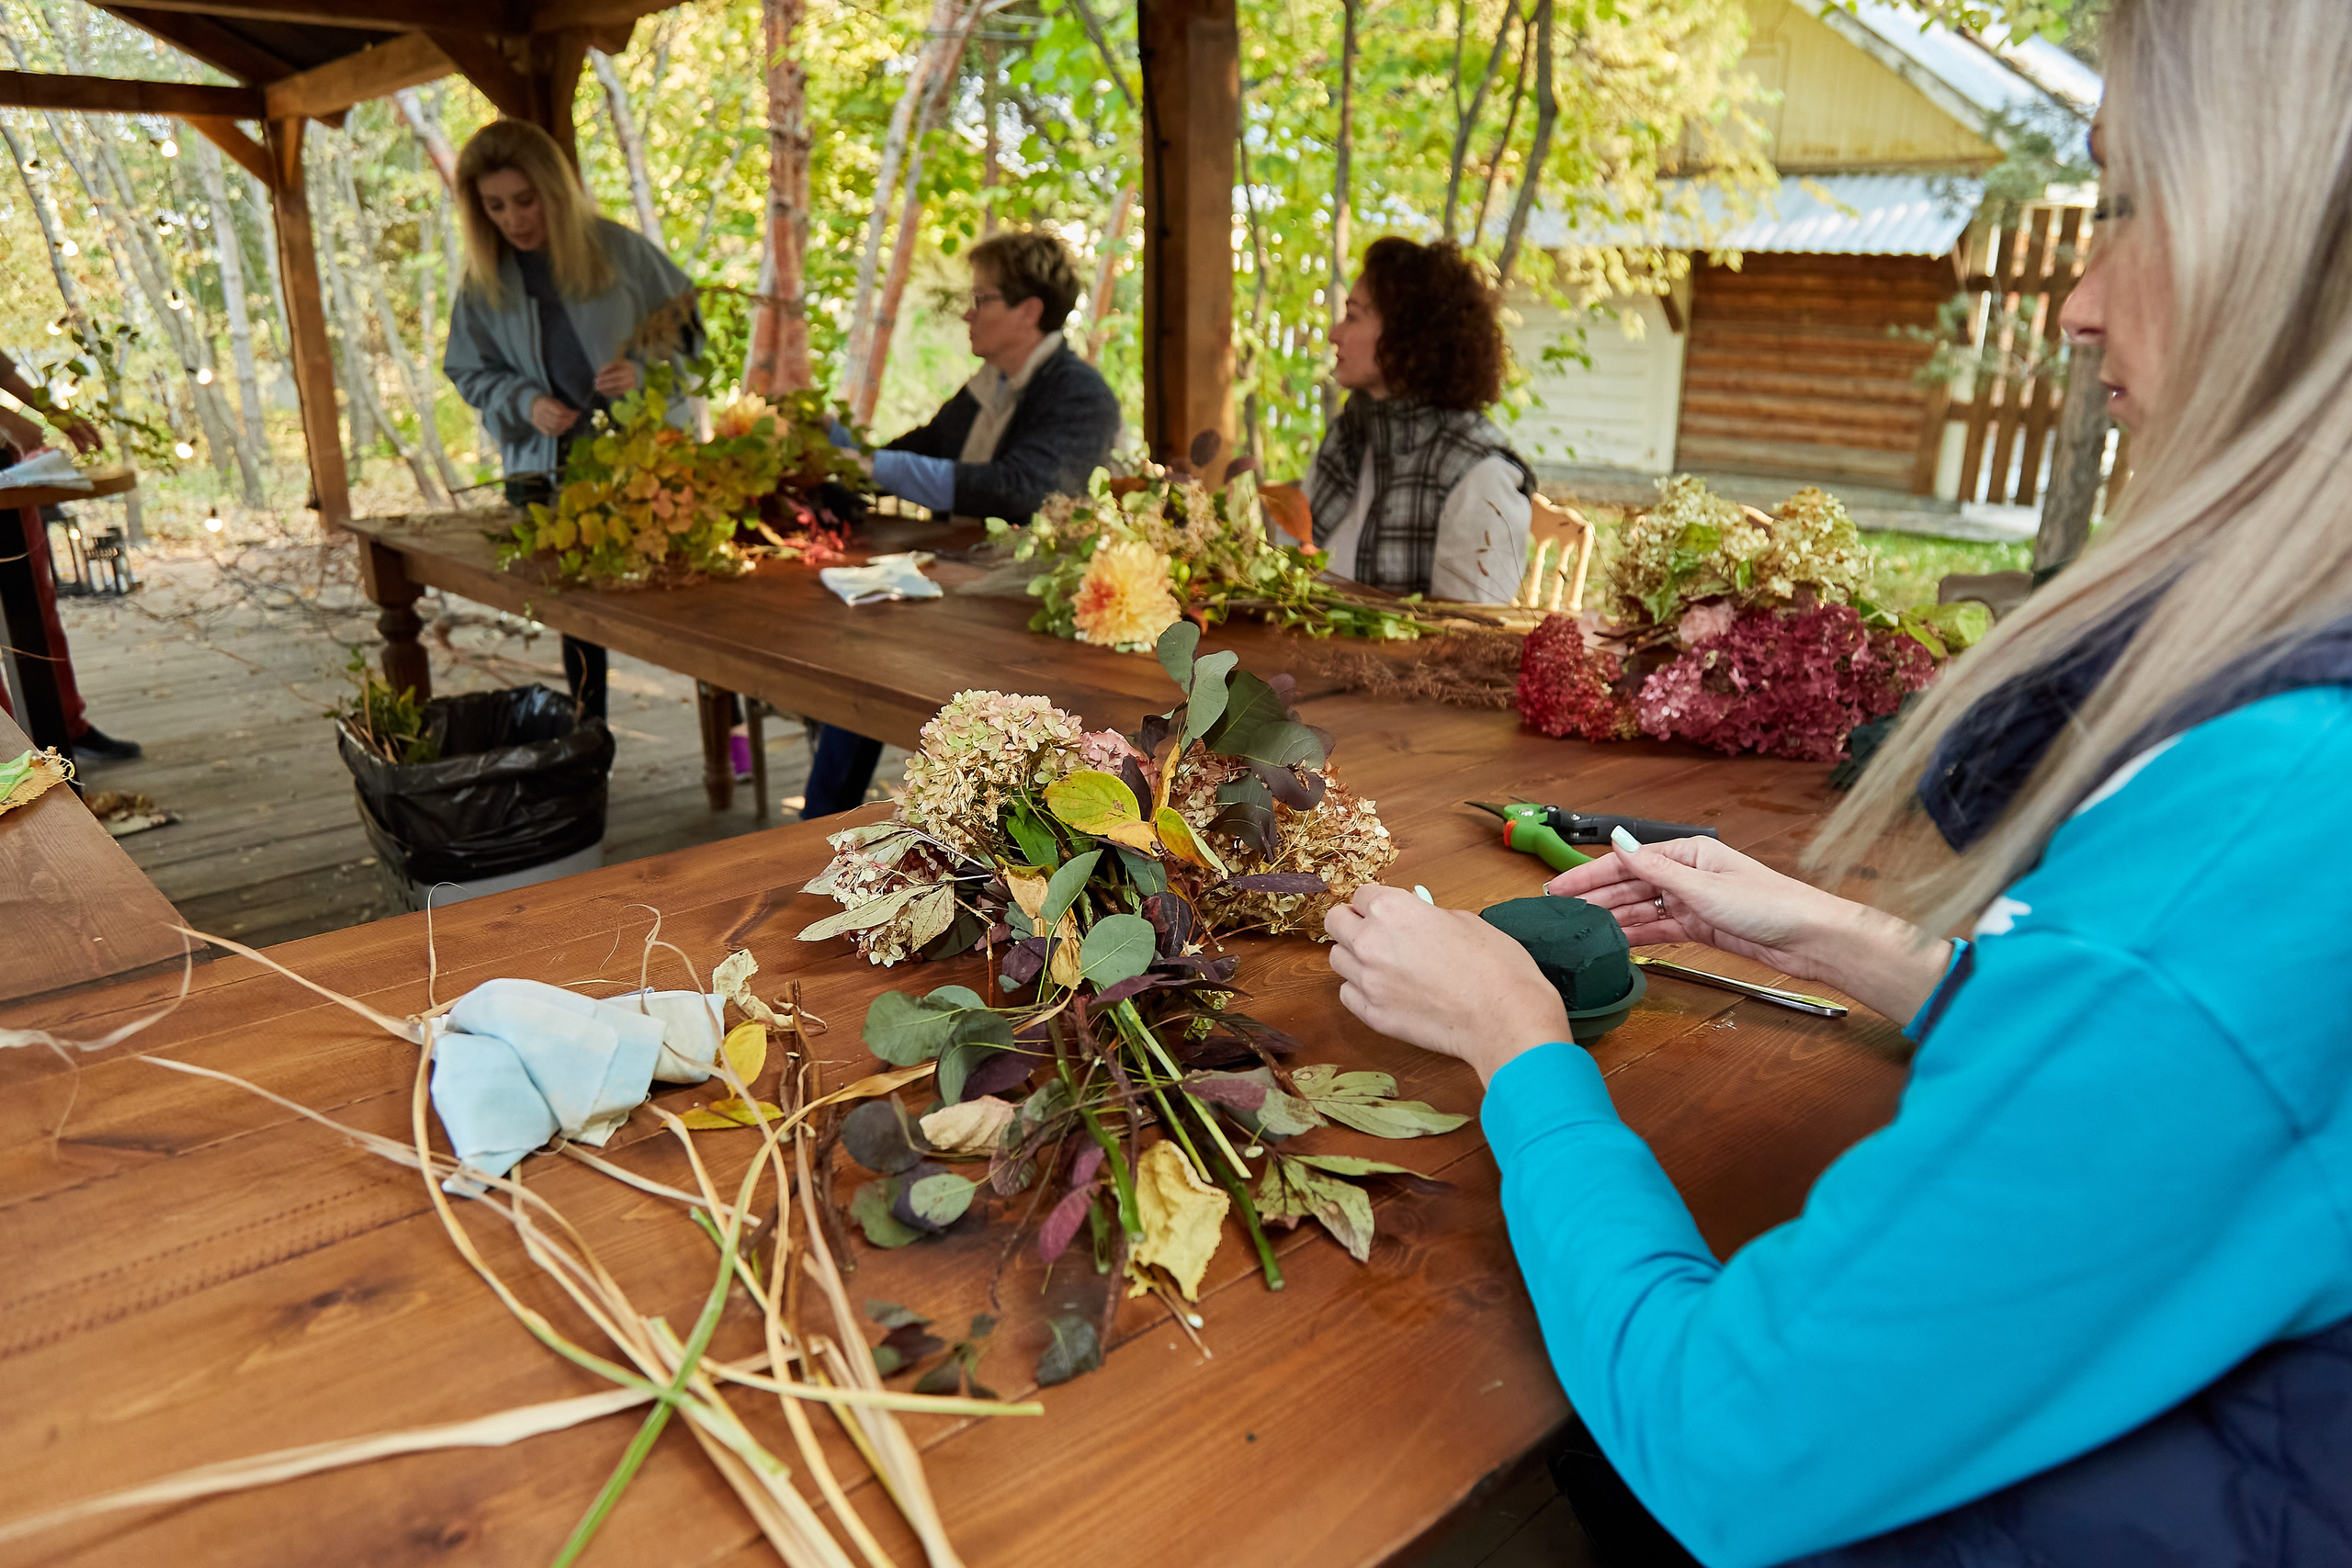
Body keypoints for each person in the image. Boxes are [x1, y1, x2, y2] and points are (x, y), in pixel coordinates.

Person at [1323, 3, 2352, 1562]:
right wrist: (1862, 948)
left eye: (2129, 199)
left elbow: (1729, 1440)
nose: (2076, 303)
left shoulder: (2266, 820)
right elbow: (2217, 1100)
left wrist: (1516, 1042)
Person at [809, 230, 1120, 818]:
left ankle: (863, 826)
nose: (968, 314)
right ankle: (823, 822)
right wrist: (832, 463)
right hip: (965, 587)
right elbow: (911, 453)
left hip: (1023, 613)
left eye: (982, 300)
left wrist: (867, 463)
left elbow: (1022, 489)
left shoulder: (1080, 395)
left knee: (871, 655)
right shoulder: (989, 389)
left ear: (1029, 310)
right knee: (855, 665)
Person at [443, 118, 703, 727]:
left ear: (554, 191)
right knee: (575, 614)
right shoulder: (484, 283)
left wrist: (645, 374)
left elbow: (696, 343)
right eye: (496, 205)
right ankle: (590, 742)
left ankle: (729, 736)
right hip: (546, 475)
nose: (514, 219)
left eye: (526, 200)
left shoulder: (624, 252)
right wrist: (523, 400)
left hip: (647, 470)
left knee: (689, 601)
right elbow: (468, 371)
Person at [1308, 237, 1532, 604]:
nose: (1334, 333)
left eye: (1352, 316)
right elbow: (1293, 567)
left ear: (1406, 336)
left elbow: (1472, 640)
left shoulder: (1479, 474)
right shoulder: (1347, 437)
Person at [0, 353, 139, 763]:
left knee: (37, 613)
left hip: (7, 469)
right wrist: (5, 418)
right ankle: (13, 757)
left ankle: (64, 729)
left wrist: (54, 412)